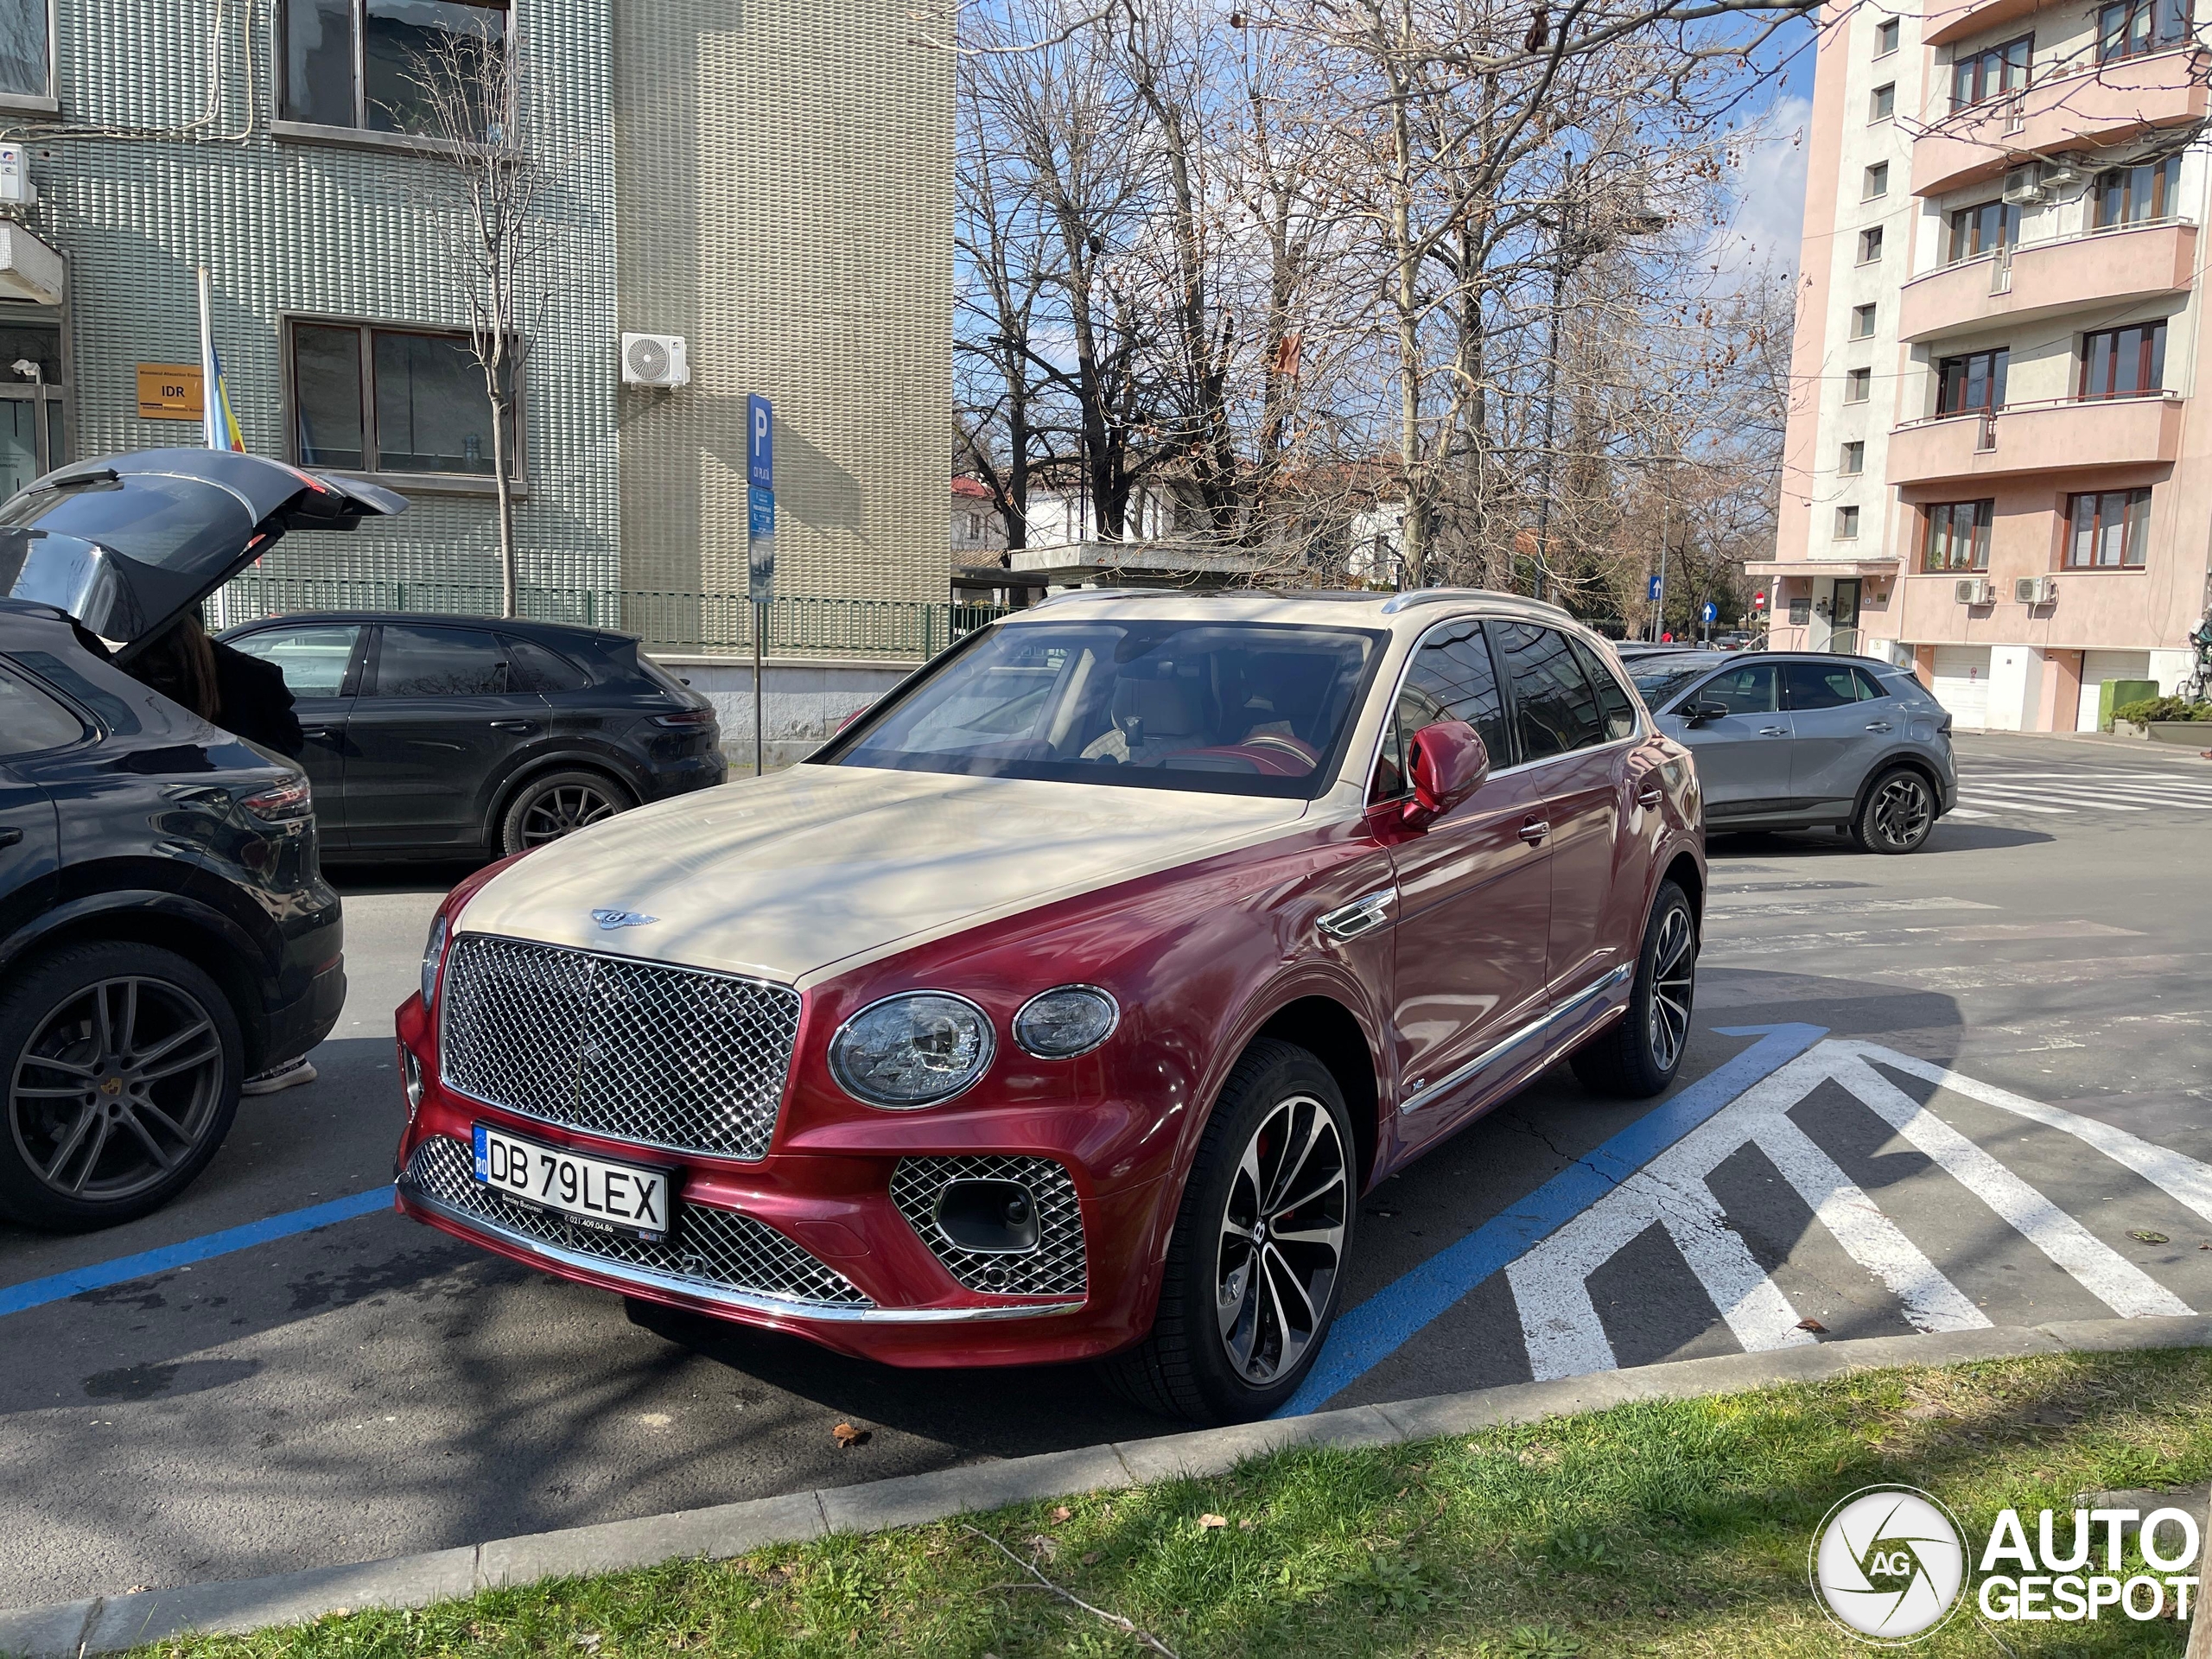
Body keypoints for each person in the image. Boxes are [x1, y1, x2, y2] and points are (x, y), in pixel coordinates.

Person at [124, 614, 316, 1095]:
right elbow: (286, 745)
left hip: (146, 824)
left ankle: (177, 1044)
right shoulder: (252, 673)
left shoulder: (123, 673)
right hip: (241, 826)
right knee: (251, 936)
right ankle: (269, 1057)